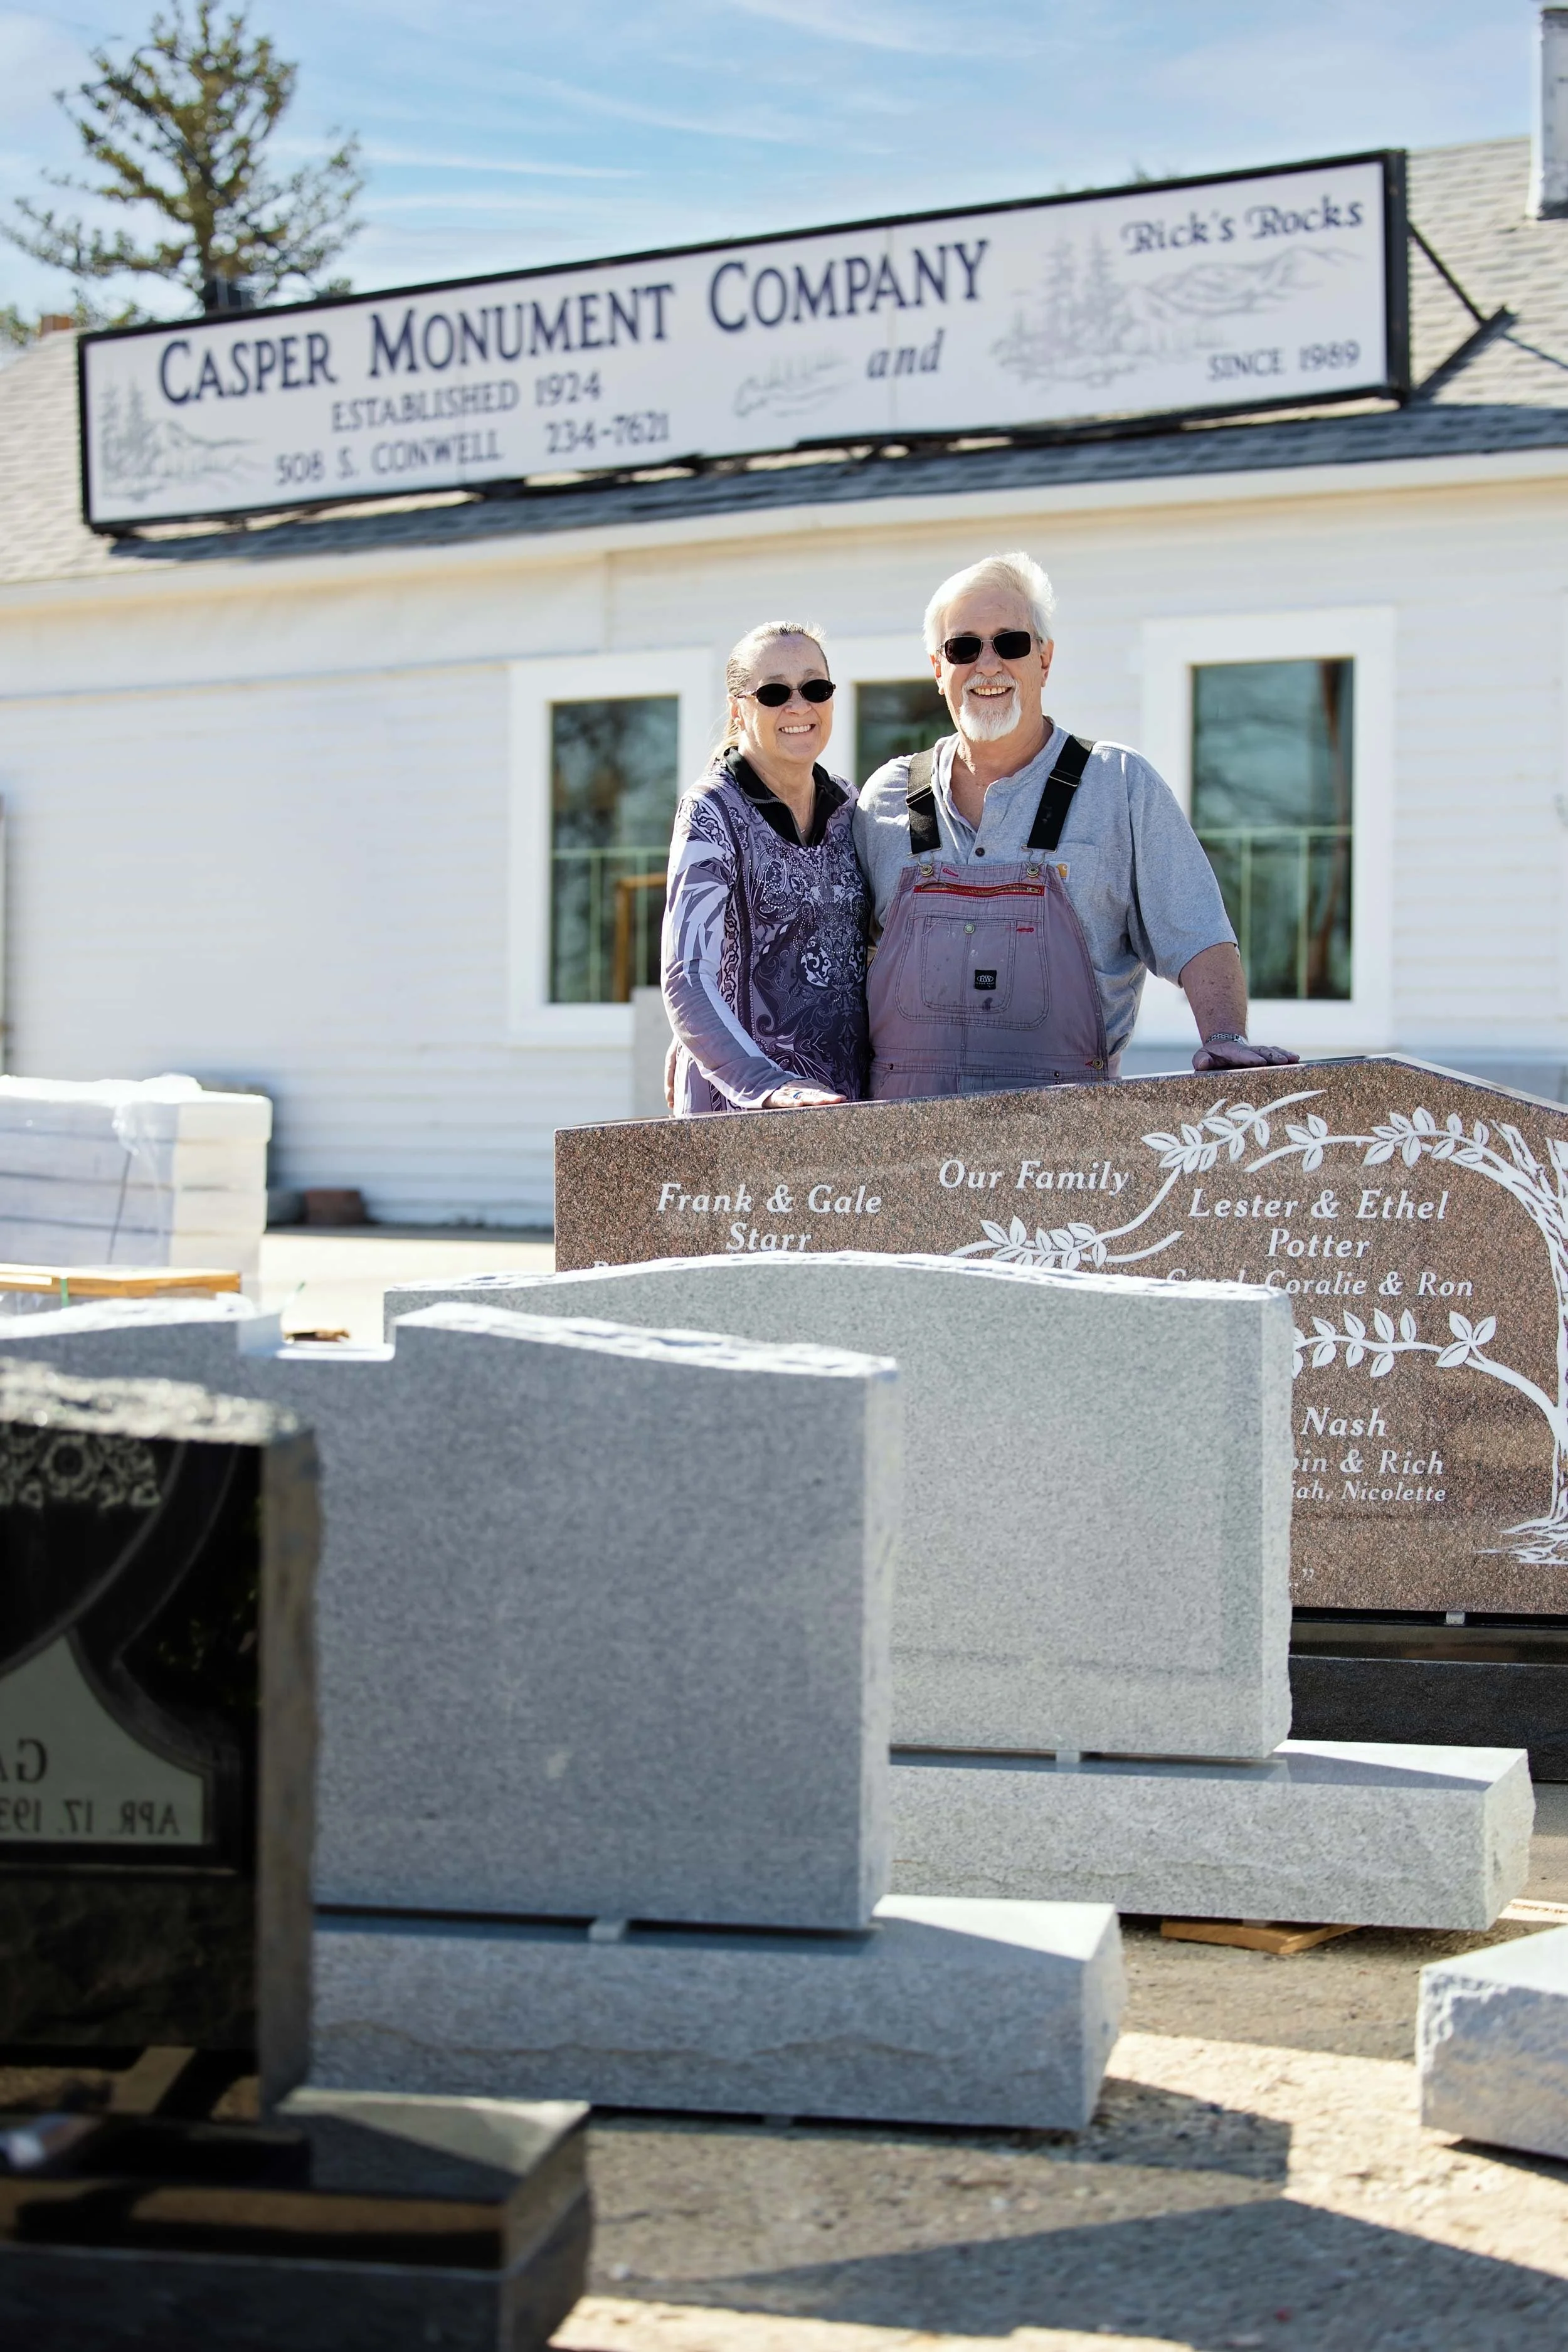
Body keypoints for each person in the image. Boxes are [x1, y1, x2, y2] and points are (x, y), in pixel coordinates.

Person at [852, 550, 1299, 1098]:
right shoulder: (886, 798)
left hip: (1066, 1147)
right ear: (938, 668)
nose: (988, 665)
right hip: (897, 1147)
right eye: (964, 647)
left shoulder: (1119, 785)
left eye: (1010, 643)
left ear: (1045, 659)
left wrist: (1225, 1036)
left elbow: (1198, 932)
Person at [662, 621, 869, 1115]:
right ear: (739, 709)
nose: (799, 707)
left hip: (845, 1111)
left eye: (815, 688)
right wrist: (768, 1086)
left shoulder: (852, 807)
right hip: (742, 1113)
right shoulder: (709, 811)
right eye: (775, 692)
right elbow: (686, 976)